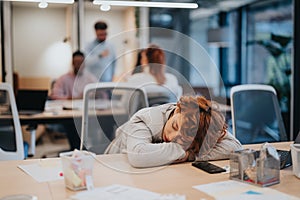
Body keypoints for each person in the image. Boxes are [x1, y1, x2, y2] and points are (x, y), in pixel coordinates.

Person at [105, 95, 243, 168]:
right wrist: (190, 152)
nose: (171, 138)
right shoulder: (145, 119)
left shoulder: (199, 125)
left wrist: (191, 153)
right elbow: (139, 156)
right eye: (176, 126)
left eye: (183, 139)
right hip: (111, 167)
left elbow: (235, 146)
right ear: (177, 109)